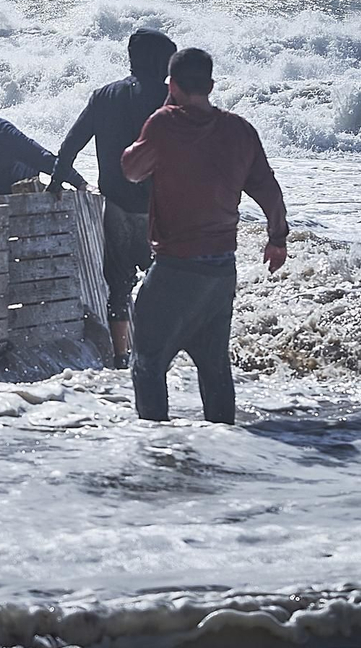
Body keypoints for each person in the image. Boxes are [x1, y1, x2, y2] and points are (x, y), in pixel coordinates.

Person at [119, 47, 287, 424]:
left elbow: (131, 169)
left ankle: (155, 444)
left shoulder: (164, 124)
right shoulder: (240, 130)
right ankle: (223, 442)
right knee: (214, 368)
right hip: (221, 272)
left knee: (147, 363)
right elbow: (269, 190)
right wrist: (277, 238)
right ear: (211, 86)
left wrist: (166, 107)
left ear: (172, 85)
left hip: (175, 269)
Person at [51, 28, 178, 368]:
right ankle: (160, 354)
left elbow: (70, 146)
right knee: (167, 283)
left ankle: (121, 358)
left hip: (116, 208)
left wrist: (56, 184)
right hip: (158, 212)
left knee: (118, 288)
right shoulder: (170, 99)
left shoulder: (104, 96)